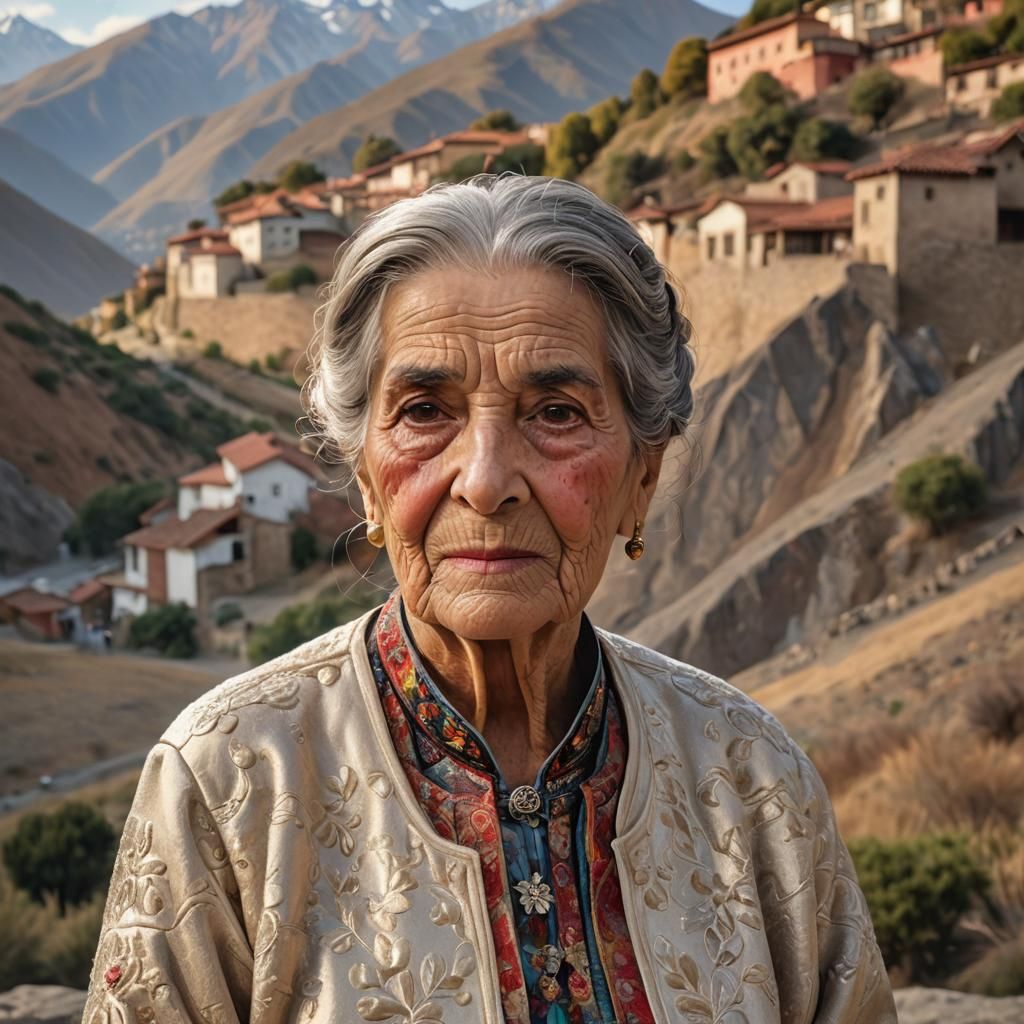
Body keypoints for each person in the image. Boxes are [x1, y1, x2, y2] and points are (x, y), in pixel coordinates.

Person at [85, 175, 896, 1024]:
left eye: (555, 411)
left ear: (641, 479)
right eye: (425, 410)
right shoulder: (228, 782)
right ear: (366, 476)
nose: (484, 480)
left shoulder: (752, 778)